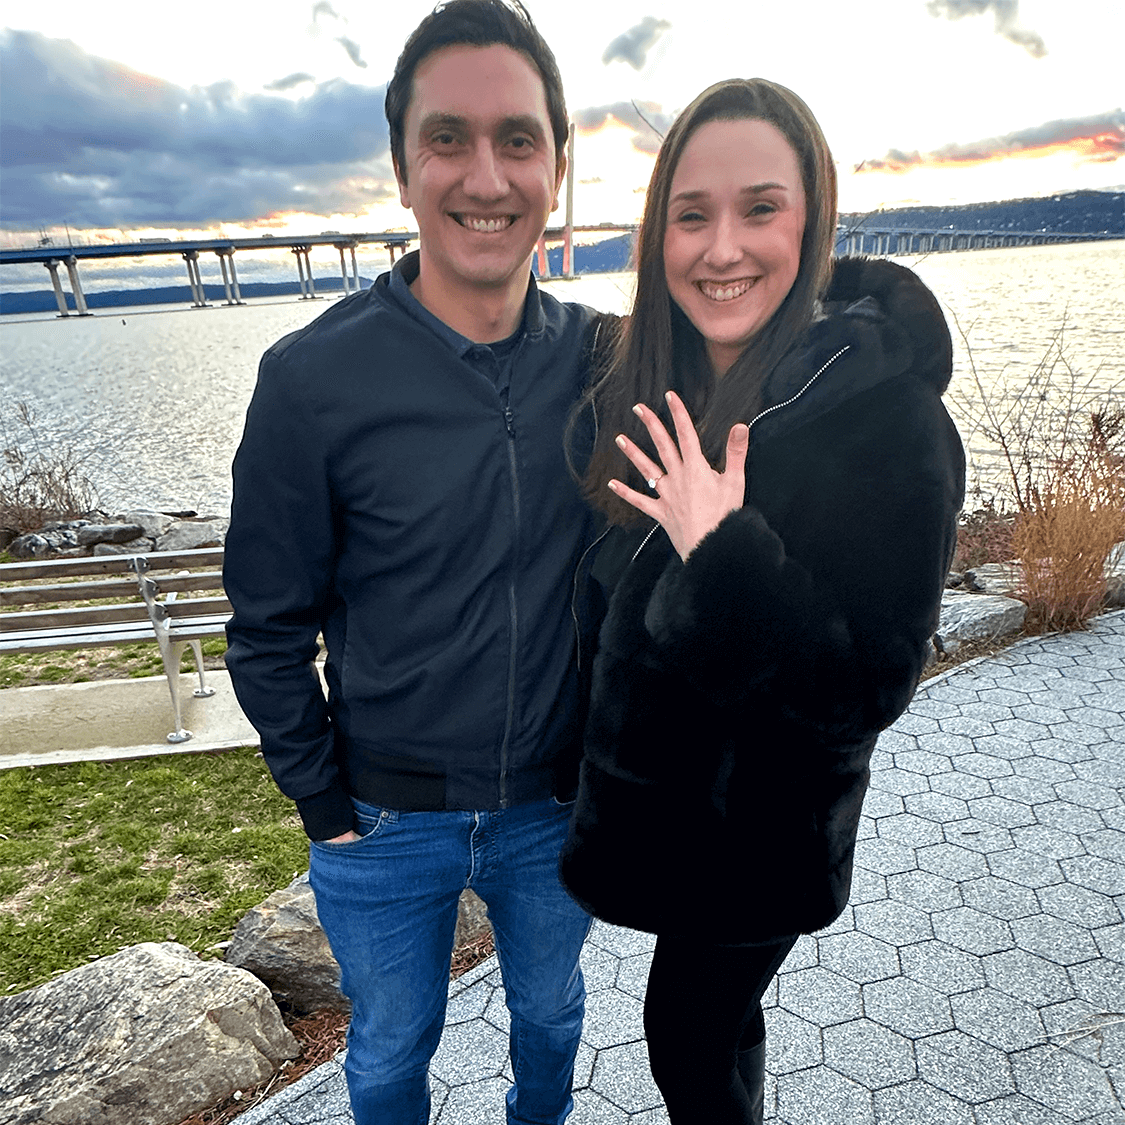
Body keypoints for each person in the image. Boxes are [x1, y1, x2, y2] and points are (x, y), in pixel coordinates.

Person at [559, 78, 966, 1125]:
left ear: (812, 216)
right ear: (658, 235)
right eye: (692, 215)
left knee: (689, 1035)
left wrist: (725, 551)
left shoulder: (893, 425)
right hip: (670, 815)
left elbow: (870, 681)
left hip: (759, 833)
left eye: (760, 208)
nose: (722, 247)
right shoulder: (653, 378)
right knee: (709, 1030)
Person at [223, 4, 599, 1122]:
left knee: (555, 1015)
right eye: (449, 137)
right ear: (401, 165)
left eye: (518, 139)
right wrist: (322, 801)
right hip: (382, 820)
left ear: (558, 165)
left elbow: (762, 346)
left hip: (554, 809)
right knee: (388, 1053)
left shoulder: (607, 358)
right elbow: (267, 623)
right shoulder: (310, 381)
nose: (486, 174)